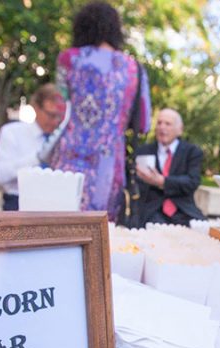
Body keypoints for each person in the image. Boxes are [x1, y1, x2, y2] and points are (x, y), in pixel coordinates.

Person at [50, 0, 151, 221]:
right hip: (108, 166)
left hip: (67, 161)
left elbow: (57, 112)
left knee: (59, 228)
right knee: (99, 231)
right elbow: (144, 124)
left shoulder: (69, 59)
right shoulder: (134, 69)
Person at [0, 84, 63, 211]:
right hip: (18, 202)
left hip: (55, 204)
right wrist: (37, 158)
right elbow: (0, 175)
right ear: (36, 108)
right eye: (51, 115)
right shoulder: (13, 133)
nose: (55, 122)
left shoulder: (63, 139)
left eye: (60, 116)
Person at [135, 108, 206, 225]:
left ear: (180, 130)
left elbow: (192, 182)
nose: (162, 127)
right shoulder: (143, 151)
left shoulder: (192, 152)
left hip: (184, 211)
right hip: (151, 212)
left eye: (168, 124)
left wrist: (162, 181)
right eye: (159, 123)